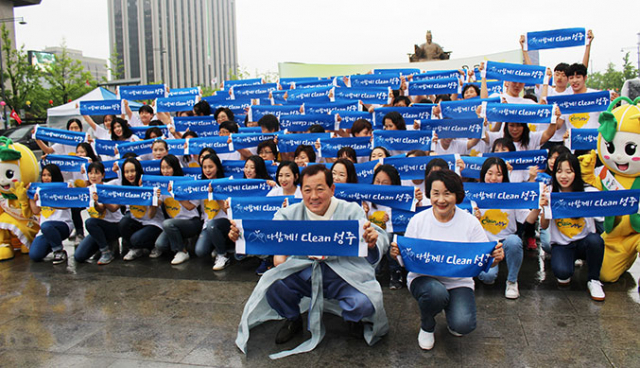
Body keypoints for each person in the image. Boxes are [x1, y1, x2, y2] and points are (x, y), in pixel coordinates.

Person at [232, 164, 389, 358]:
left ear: (332, 189)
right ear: (301, 191)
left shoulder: (350, 211)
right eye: (307, 190)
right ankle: (292, 318)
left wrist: (372, 242)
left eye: (320, 189)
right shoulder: (291, 213)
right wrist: (241, 237)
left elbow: (377, 237)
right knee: (272, 284)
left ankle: (353, 319)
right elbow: (269, 235)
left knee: (365, 302)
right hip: (304, 271)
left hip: (343, 274)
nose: (313, 196)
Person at [390, 169, 504, 350]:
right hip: (424, 280)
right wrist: (397, 254)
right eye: (435, 194)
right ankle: (427, 325)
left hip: (458, 282)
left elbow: (484, 260)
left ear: (457, 195)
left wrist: (496, 258)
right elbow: (407, 260)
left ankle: (451, 310)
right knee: (435, 294)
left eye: (447, 194)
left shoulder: (470, 222)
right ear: (429, 194)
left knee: (463, 325)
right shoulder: (418, 220)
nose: (441, 200)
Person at [535, 153, 605, 300]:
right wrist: (543, 208)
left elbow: (603, 217)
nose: (563, 176)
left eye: (569, 171)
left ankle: (594, 280)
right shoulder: (550, 193)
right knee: (562, 275)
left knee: (596, 241)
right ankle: (566, 267)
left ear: (576, 173)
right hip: (562, 245)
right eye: (559, 171)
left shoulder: (588, 192)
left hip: (584, 242)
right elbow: (544, 225)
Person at [473, 157, 539, 299]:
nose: (493, 178)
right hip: (484, 244)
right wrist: (474, 218)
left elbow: (529, 219)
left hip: (505, 241)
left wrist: (538, 207)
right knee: (488, 278)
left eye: (498, 174)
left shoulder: (511, 195)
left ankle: (512, 281)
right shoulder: (474, 195)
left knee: (515, 241)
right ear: (483, 174)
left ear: (504, 176)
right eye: (490, 173)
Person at [151, 155, 203, 265]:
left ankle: (182, 251)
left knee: (167, 223)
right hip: (173, 224)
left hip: (191, 221)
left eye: (168, 168)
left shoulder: (186, 183)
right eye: (163, 168)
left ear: (175, 167)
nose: (165, 171)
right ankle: (181, 241)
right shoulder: (161, 186)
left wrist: (175, 194)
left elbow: (190, 207)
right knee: (160, 245)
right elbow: (157, 205)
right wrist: (153, 197)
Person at [74, 162, 123, 264]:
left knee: (90, 222)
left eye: (96, 173)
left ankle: (106, 251)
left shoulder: (109, 187)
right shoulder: (87, 191)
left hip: (115, 225)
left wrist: (98, 200)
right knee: (79, 256)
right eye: (90, 173)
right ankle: (104, 244)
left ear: (103, 175)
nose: (93, 176)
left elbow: (102, 209)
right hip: (98, 229)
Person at [118, 158, 164, 261]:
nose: (130, 174)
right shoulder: (126, 189)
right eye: (126, 172)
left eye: (132, 171)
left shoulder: (149, 186)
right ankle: (135, 249)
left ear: (138, 171)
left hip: (153, 223)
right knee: (123, 222)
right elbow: (114, 208)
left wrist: (153, 201)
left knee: (136, 239)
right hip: (138, 221)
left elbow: (151, 215)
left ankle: (153, 246)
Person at [28, 164, 74, 264]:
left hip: (63, 225)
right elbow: (36, 211)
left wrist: (48, 201)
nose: (46, 178)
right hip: (45, 229)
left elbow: (67, 205)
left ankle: (59, 251)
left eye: (49, 175)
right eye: (44, 175)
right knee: (35, 255)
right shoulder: (39, 190)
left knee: (46, 225)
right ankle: (52, 243)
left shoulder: (64, 187)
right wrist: (32, 198)